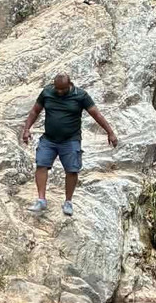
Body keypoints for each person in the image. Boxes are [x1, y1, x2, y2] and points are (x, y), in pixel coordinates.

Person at [20, 73, 118, 216]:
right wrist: (27, 129)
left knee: (72, 170)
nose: (59, 92)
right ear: (54, 85)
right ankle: (41, 200)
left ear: (70, 85)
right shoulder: (47, 93)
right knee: (41, 165)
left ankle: (68, 201)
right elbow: (35, 111)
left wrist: (110, 132)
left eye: (63, 89)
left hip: (71, 140)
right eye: (57, 89)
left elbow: (96, 114)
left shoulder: (81, 95)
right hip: (49, 139)